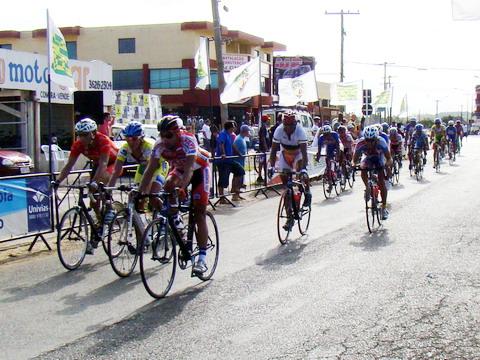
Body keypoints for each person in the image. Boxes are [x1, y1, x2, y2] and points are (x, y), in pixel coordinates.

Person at [138, 115, 211, 275]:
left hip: (200, 169)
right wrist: (141, 192)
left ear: (178, 133)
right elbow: (150, 169)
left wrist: (183, 187)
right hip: (179, 169)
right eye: (161, 135)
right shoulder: (159, 145)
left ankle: (202, 259)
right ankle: (176, 220)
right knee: (168, 185)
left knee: (199, 213)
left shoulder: (188, 140)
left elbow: (190, 168)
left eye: (168, 135)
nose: (164, 139)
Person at [54, 118, 118, 254]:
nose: (81, 138)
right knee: (93, 202)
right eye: (79, 135)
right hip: (97, 164)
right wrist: (58, 181)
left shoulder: (103, 141)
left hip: (112, 163)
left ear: (93, 133)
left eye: (85, 135)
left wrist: (94, 182)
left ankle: (110, 207)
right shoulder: (78, 145)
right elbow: (69, 165)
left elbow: (104, 164)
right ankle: (101, 225)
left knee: (100, 183)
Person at [268, 111, 311, 231]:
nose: (288, 128)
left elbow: (304, 154)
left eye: (290, 126)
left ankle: (307, 192)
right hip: (285, 154)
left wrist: (303, 169)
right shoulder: (278, 130)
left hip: (298, 155)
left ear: (295, 124)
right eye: (286, 126)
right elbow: (273, 151)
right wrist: (271, 166)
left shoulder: (300, 132)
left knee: (301, 172)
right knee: (286, 189)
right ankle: (289, 217)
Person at [108, 121, 168, 188]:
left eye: (134, 139)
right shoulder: (125, 148)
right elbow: (116, 171)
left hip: (159, 167)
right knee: (134, 194)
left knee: (152, 190)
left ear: (141, 138)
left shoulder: (148, 148)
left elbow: (150, 170)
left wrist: (145, 186)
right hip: (143, 167)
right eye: (127, 138)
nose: (131, 142)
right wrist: (109, 189)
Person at [352, 126, 392, 220]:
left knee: (382, 183)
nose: (369, 143)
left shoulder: (381, 142)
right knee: (362, 167)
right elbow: (354, 160)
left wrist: (387, 166)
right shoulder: (360, 143)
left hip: (379, 157)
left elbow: (389, 158)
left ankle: (384, 207)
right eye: (367, 140)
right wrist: (353, 165)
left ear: (376, 139)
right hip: (368, 157)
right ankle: (368, 187)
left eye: (372, 140)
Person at [215, 121, 245, 202]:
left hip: (230, 160)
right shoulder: (223, 134)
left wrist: (239, 153)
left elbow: (232, 145)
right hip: (223, 161)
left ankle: (235, 190)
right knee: (223, 179)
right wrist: (223, 153)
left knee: (240, 171)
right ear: (230, 127)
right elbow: (221, 144)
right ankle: (221, 198)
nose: (235, 128)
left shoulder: (230, 135)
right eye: (234, 127)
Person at [316, 125, 341, 192]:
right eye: (325, 134)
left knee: (338, 154)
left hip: (336, 147)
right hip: (329, 148)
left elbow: (338, 146)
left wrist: (337, 155)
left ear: (330, 132)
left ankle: (338, 169)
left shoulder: (334, 135)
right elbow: (319, 150)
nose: (326, 136)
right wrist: (318, 157)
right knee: (328, 165)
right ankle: (330, 184)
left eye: (327, 134)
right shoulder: (321, 138)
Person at [233, 125, 251, 194]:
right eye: (248, 131)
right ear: (245, 131)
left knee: (240, 177)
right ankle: (235, 193)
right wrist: (240, 154)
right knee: (237, 178)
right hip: (238, 161)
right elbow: (234, 147)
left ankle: (237, 193)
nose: (248, 132)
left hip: (241, 161)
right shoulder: (239, 139)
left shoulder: (242, 138)